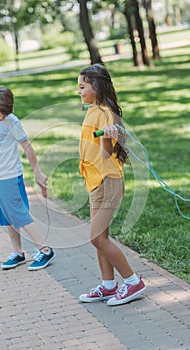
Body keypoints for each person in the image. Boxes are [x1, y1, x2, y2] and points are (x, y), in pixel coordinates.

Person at [78, 64, 146, 306]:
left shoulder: (106, 113)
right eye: (79, 87)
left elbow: (106, 154)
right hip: (95, 181)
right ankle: (108, 285)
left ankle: (132, 281)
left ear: (97, 86)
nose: (79, 91)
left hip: (108, 181)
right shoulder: (92, 110)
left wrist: (108, 136)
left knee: (96, 237)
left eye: (83, 87)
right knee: (100, 236)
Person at [0, 86, 55, 271]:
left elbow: (27, 146)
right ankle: (18, 253)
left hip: (10, 175)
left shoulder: (12, 121)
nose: (1, 118)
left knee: (18, 214)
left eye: (4, 115)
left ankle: (46, 250)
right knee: (7, 215)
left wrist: (37, 172)